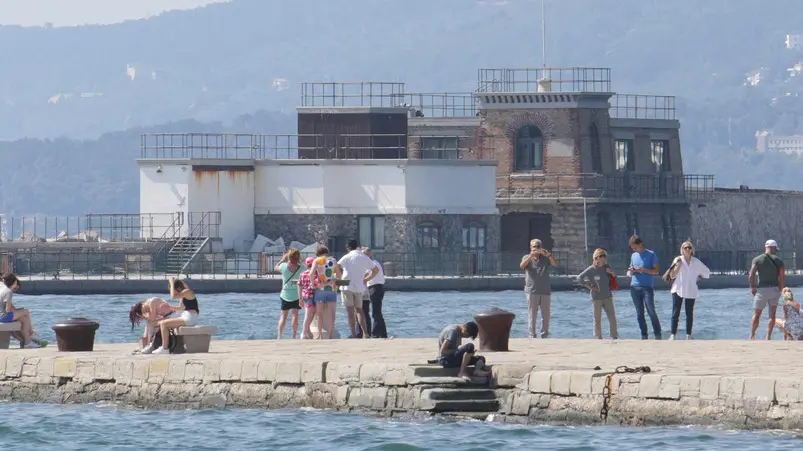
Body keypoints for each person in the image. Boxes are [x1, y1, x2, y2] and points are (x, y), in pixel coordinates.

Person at [667, 241, 711, 340]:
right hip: (678, 288)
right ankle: (673, 334)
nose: (687, 249)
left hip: (691, 289)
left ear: (692, 250)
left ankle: (688, 335)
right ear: (682, 249)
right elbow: (672, 275)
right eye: (685, 248)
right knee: (675, 312)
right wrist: (677, 266)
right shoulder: (678, 260)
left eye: (689, 248)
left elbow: (706, 272)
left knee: (689, 313)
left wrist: (699, 276)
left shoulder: (696, 262)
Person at [337, 239, 378, 339]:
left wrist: (340, 278)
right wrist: (366, 279)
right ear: (357, 247)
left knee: (350, 312)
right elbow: (375, 270)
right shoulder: (363, 257)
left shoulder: (346, 257)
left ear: (348, 248)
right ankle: (365, 333)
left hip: (346, 286)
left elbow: (336, 266)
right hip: (359, 287)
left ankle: (354, 334)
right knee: (359, 310)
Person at [149, 277, 200, 354]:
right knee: (162, 323)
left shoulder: (187, 292)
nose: (173, 291)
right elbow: (180, 308)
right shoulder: (184, 295)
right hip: (187, 316)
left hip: (190, 317)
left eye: (173, 289)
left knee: (163, 323)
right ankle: (164, 347)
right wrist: (168, 306)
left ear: (178, 288)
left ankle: (164, 348)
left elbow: (173, 296)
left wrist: (172, 282)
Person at [519, 238, 558, 338]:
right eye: (534, 246)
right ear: (530, 247)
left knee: (546, 315)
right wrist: (530, 256)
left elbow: (555, 264)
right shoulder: (526, 257)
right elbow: (522, 266)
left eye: (538, 246)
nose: (536, 248)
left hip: (545, 290)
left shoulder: (545, 258)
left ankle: (544, 334)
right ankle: (532, 335)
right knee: (532, 314)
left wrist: (548, 255)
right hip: (532, 290)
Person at [577, 248, 619, 339]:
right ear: (596, 258)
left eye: (604, 256)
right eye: (601, 256)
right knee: (597, 318)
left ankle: (614, 335)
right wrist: (589, 287)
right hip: (596, 298)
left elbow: (614, 279)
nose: (603, 258)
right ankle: (598, 336)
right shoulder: (591, 269)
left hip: (607, 296)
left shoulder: (607, 267)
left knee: (612, 317)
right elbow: (579, 278)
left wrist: (612, 273)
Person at [749, 239, 785, 340]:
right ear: (773, 248)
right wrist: (781, 289)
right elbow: (782, 277)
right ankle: (768, 336)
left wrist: (752, 287)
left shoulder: (757, 259)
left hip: (761, 290)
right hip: (774, 289)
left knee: (756, 314)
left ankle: (752, 336)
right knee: (772, 315)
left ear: (766, 247)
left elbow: (751, 274)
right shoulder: (779, 260)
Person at [627, 235, 662, 340]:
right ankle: (644, 335)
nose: (634, 250)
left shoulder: (651, 254)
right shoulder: (633, 256)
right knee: (639, 313)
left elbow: (656, 271)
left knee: (651, 311)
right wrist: (631, 271)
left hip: (647, 287)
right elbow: (629, 272)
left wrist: (643, 270)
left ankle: (657, 334)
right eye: (632, 248)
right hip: (634, 287)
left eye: (635, 247)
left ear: (640, 244)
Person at [0, 273, 46, 348]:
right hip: (3, 316)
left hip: (2, 315)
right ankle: (31, 333)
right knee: (26, 311)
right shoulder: (9, 292)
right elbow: (8, 310)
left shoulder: (3, 289)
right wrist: (18, 312)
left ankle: (27, 342)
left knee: (25, 319)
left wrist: (18, 312)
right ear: (14, 282)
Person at [310, 245, 342, 340]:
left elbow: (311, 273)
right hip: (331, 289)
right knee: (331, 312)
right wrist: (333, 280)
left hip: (320, 288)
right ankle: (330, 334)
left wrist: (312, 284)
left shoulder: (317, 261)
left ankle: (319, 335)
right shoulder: (333, 261)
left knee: (319, 313)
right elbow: (340, 275)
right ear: (326, 252)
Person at [356, 247, 387, 339]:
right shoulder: (374, 262)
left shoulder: (371, 264)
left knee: (375, 313)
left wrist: (364, 280)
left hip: (375, 288)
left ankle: (376, 333)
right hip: (377, 288)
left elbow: (368, 274)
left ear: (367, 255)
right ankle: (383, 333)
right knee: (378, 312)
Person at [275, 248, 303, 339]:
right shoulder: (301, 268)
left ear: (289, 257)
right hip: (296, 294)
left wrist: (283, 259)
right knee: (295, 315)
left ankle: (279, 336)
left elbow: (275, 267)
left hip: (285, 294)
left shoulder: (283, 266)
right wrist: (300, 261)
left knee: (283, 316)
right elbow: (308, 268)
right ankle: (293, 336)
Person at [297, 256, 318, 339]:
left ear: (306, 264)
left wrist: (299, 298)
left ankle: (307, 330)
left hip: (305, 295)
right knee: (310, 314)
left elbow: (299, 285)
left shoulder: (302, 274)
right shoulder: (315, 273)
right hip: (313, 295)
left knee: (308, 314)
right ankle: (304, 332)